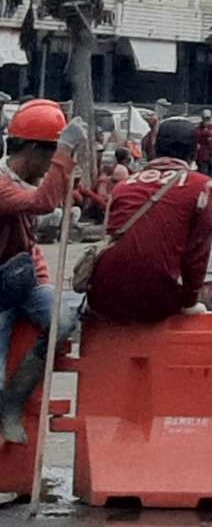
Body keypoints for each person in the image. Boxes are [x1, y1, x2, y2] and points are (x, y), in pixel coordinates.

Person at [0, 100, 93, 444]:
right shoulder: (1, 184)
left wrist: (66, 172)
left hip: (22, 282)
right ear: (35, 150)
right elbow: (42, 202)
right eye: (50, 154)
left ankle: (13, 403)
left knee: (63, 320)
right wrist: (65, 150)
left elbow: (47, 210)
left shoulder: (19, 182)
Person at [83, 117, 212, 326]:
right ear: (195, 151)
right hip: (153, 301)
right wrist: (190, 301)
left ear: (154, 147)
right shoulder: (201, 185)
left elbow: (108, 236)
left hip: (102, 297)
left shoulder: (125, 184)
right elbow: (197, 253)